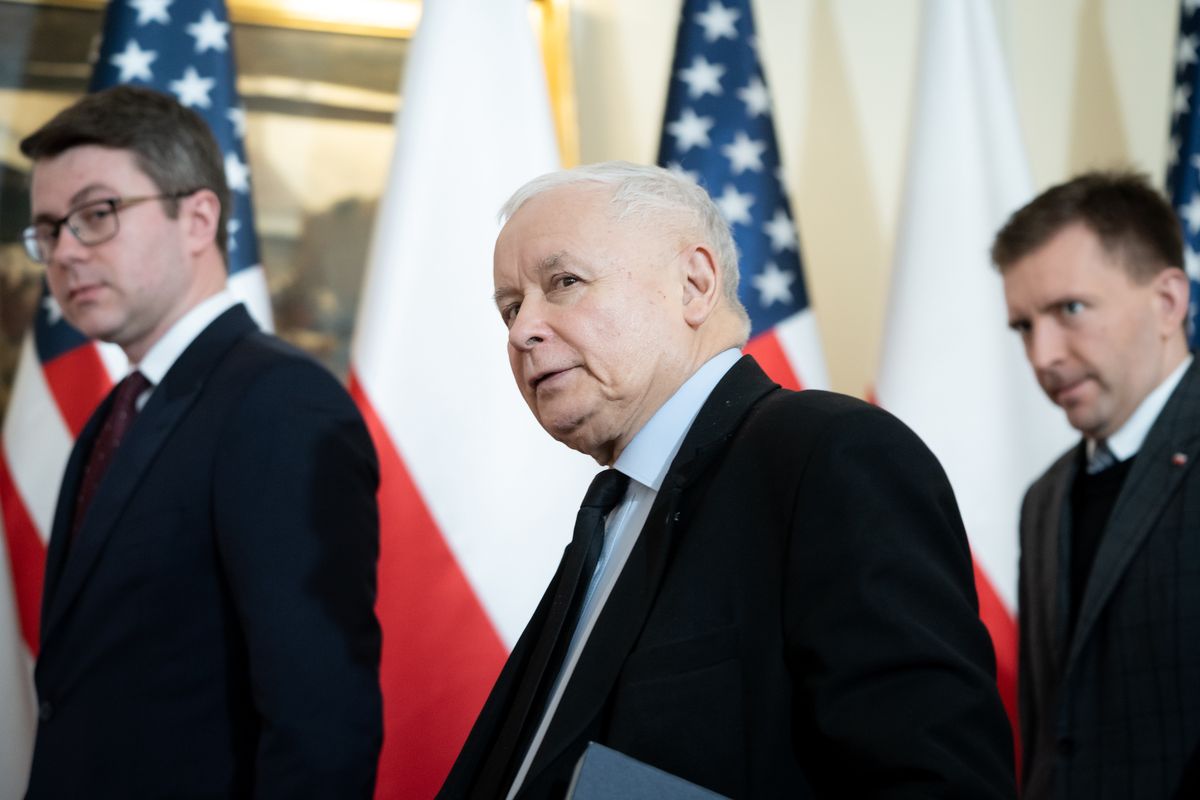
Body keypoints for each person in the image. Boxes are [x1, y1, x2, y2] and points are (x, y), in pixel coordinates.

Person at [439, 161, 1016, 799]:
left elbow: (937, 781)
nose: (523, 331)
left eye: (565, 282)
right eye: (511, 308)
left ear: (694, 284)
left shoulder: (829, 456)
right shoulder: (614, 509)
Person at [20, 85, 382, 797]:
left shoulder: (281, 403)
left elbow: (321, 725)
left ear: (197, 218)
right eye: (48, 228)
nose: (64, 251)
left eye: (96, 215)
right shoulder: (117, 410)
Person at [992, 171, 1200, 799]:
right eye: (1024, 326)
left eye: (1069, 310)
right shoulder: (1045, 499)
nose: (1041, 356)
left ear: (1167, 302)